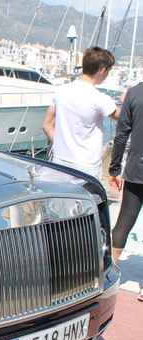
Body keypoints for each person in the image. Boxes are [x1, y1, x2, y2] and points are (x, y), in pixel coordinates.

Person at [42, 46, 121, 179]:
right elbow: (122, 116)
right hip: (86, 165)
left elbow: (47, 126)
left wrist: (61, 145)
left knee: (60, 199)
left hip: (60, 160)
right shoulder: (99, 98)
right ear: (102, 70)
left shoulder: (61, 91)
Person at [108, 83, 143, 302]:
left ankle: (107, 275)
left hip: (136, 168)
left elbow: (121, 134)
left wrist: (114, 169)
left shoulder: (135, 93)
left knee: (123, 223)